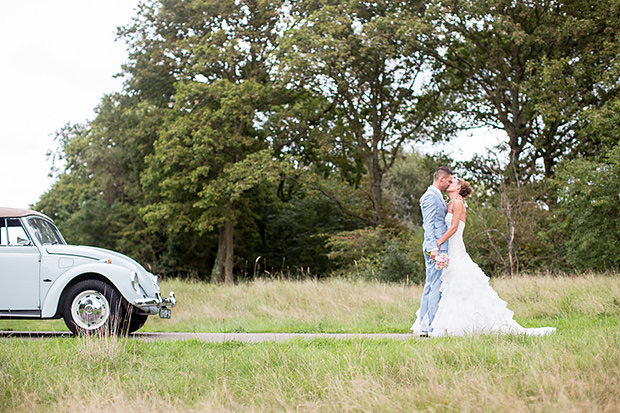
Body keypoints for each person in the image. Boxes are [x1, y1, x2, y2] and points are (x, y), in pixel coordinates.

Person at [413, 178, 556, 337]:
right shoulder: (449, 202)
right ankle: (439, 324)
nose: (449, 183)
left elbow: (453, 227)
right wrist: (424, 199)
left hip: (455, 248)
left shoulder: (459, 203)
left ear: (459, 187)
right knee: (446, 286)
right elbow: (435, 205)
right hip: (449, 251)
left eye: (453, 182)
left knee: (460, 285)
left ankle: (465, 324)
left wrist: (438, 242)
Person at [411, 166, 453, 337]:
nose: (449, 184)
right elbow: (428, 225)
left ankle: (425, 325)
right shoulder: (430, 196)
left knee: (432, 285)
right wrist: (433, 249)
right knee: (434, 286)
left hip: (437, 246)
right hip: (435, 247)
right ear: (441, 179)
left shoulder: (434, 196)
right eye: (449, 181)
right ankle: (432, 325)